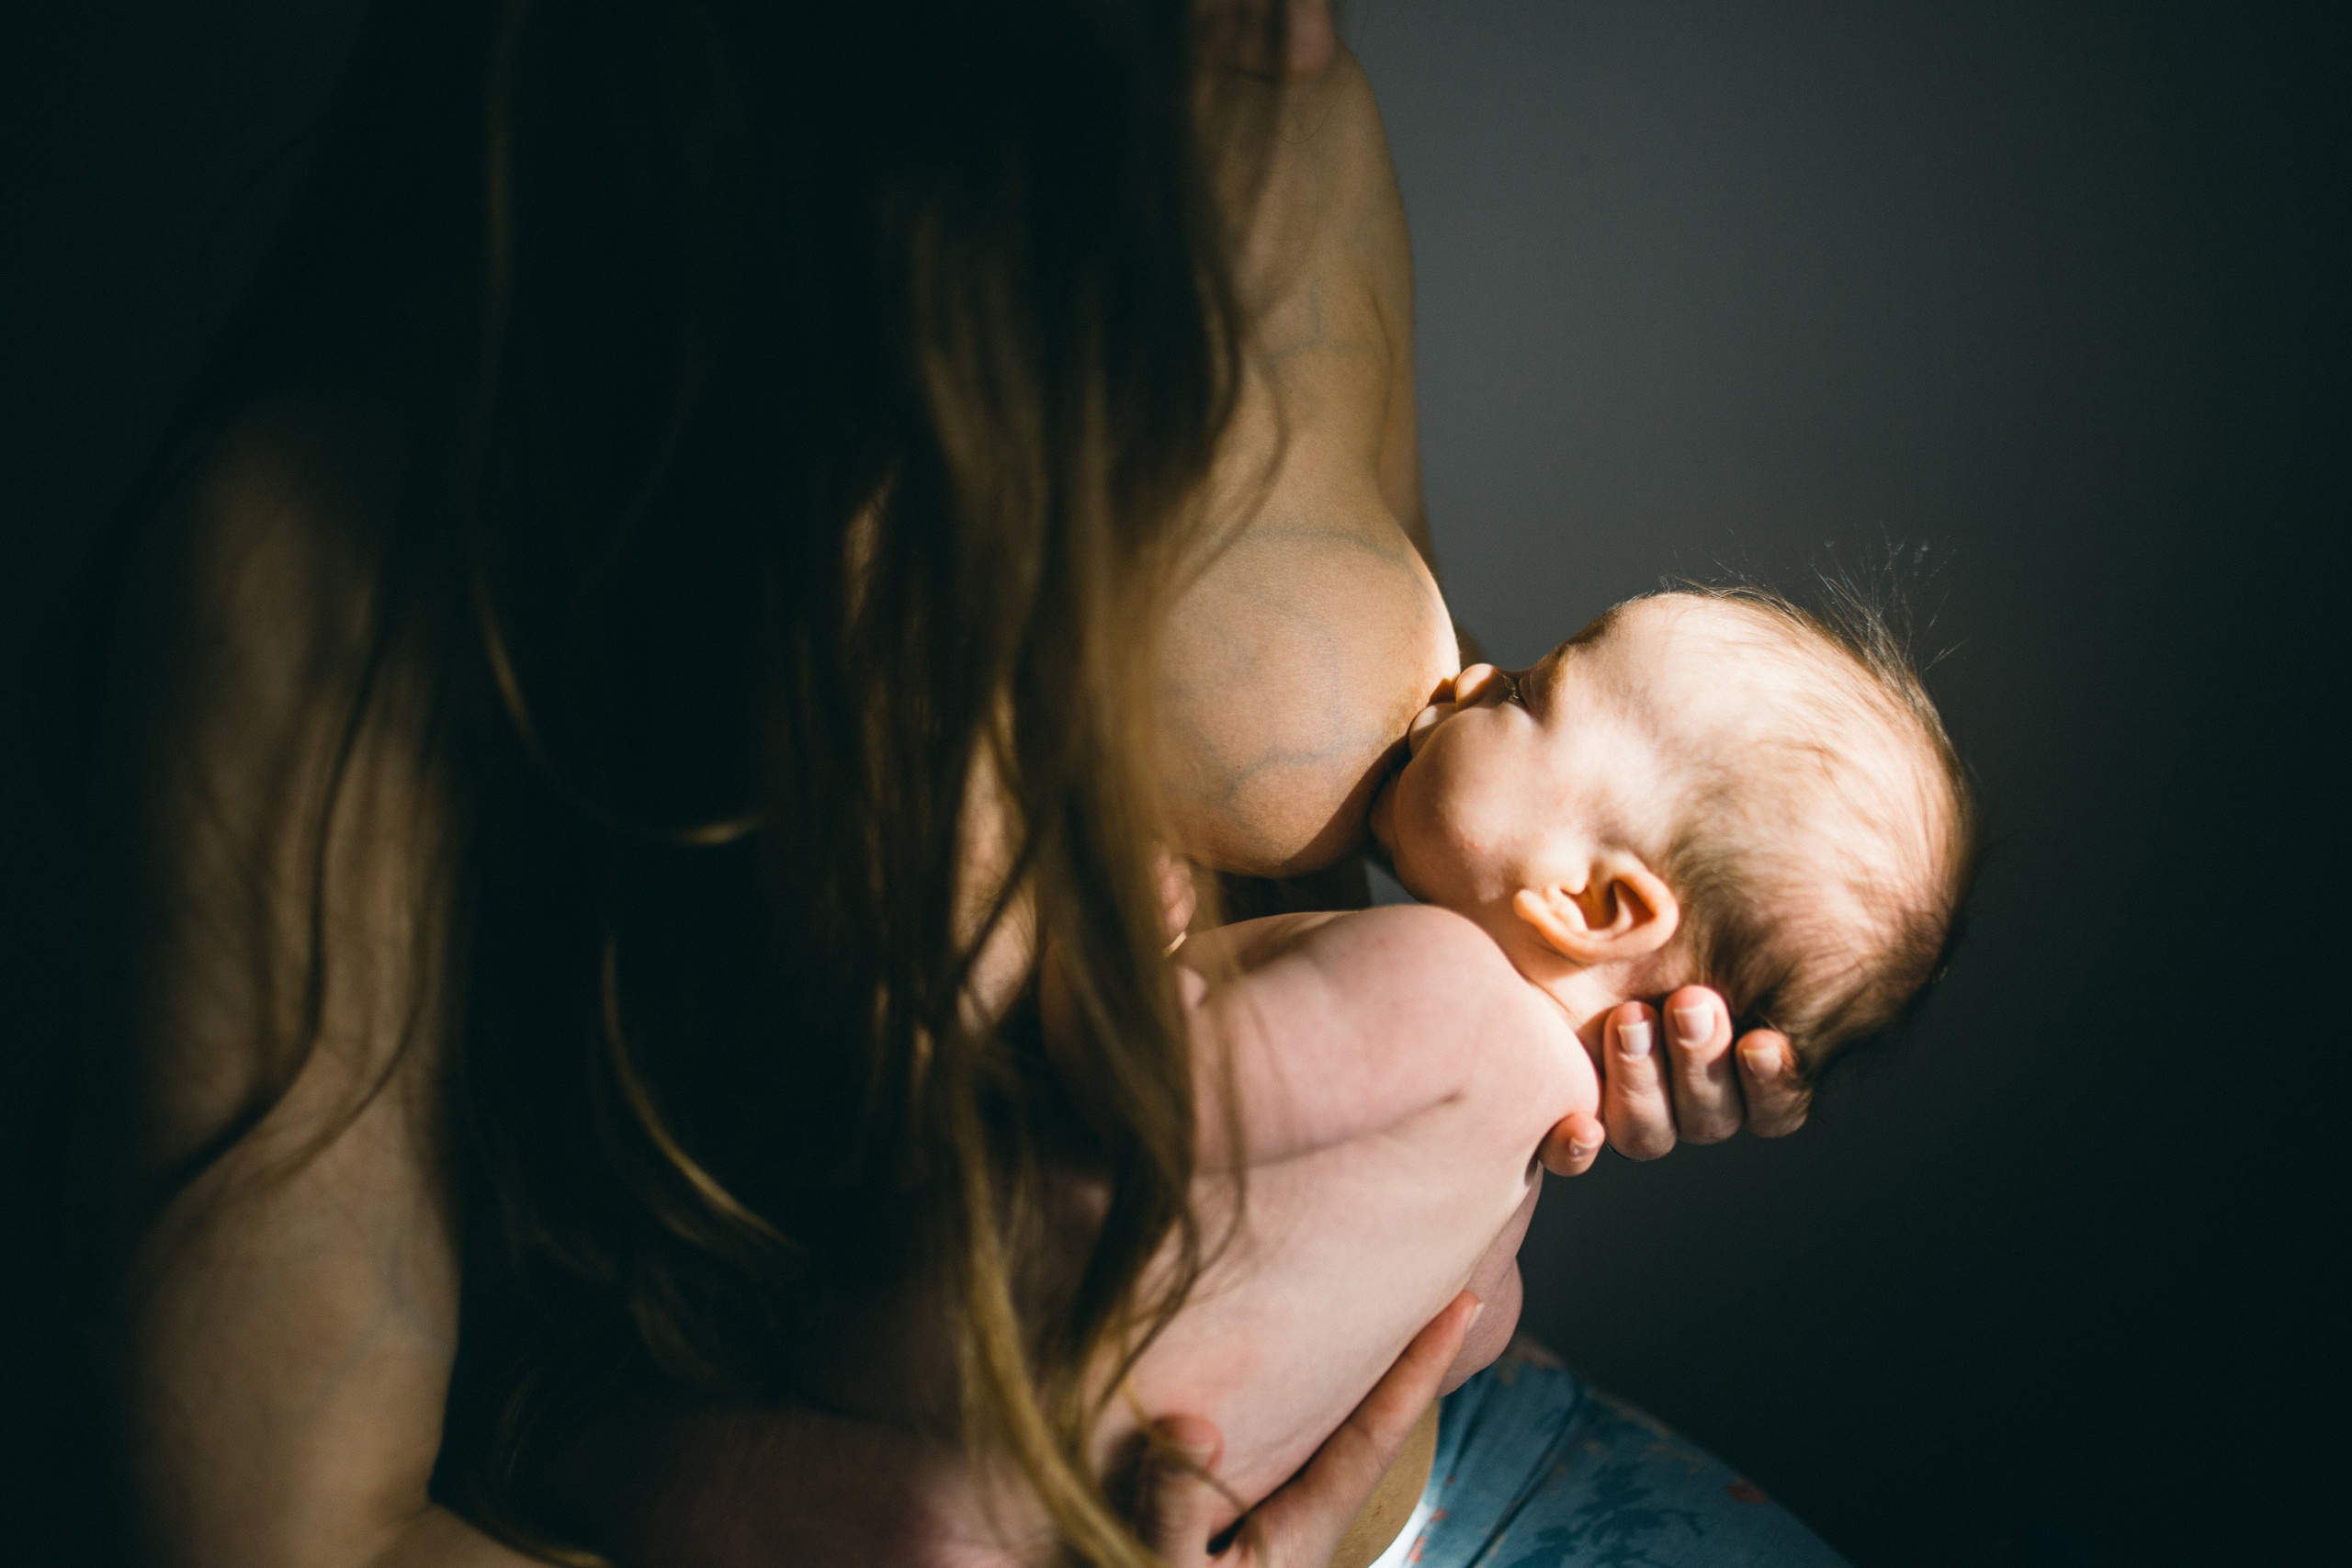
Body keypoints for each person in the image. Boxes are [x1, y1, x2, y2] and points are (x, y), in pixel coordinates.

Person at [72, 6, 1817, 1568]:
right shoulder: (340, 565)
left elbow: (1449, 836)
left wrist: (1587, 1013)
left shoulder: (1279, 120)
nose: (1299, 30)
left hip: (1445, 1485)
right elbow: (288, 1530)